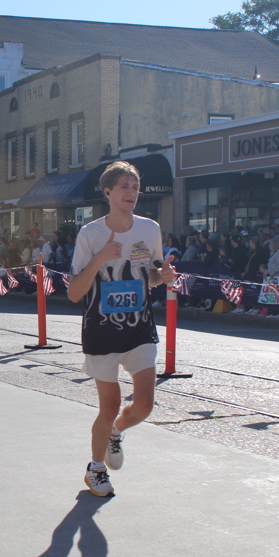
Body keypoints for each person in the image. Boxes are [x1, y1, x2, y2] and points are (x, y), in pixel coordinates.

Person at [67, 161, 175, 497]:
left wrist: (163, 277)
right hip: (101, 330)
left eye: (135, 187)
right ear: (108, 192)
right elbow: (74, 293)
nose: (131, 193)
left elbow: (151, 276)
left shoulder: (150, 229)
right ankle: (95, 469)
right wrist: (100, 258)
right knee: (110, 403)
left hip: (139, 327)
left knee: (144, 404)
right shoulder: (91, 234)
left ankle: (115, 432)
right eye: (124, 187)